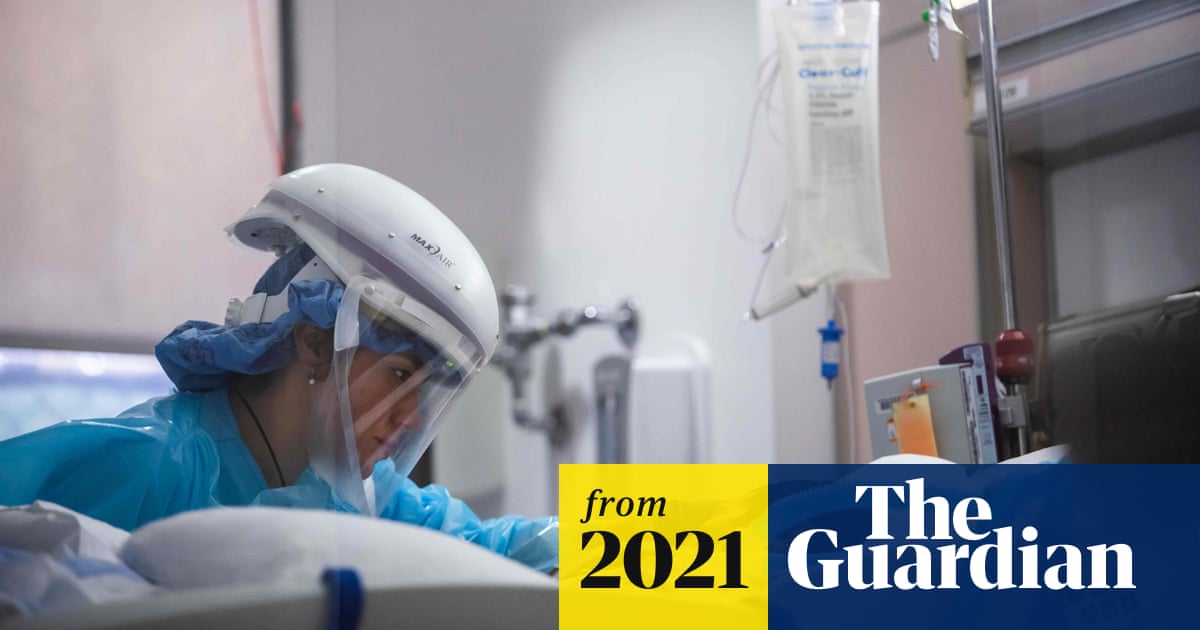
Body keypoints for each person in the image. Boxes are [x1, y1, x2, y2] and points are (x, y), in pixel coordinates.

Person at [0, 164, 557, 572]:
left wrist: (616, 520)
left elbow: (510, 551)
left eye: (427, 389)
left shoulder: (363, 497)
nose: (412, 417)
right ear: (314, 343)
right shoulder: (146, 466)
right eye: (399, 374)